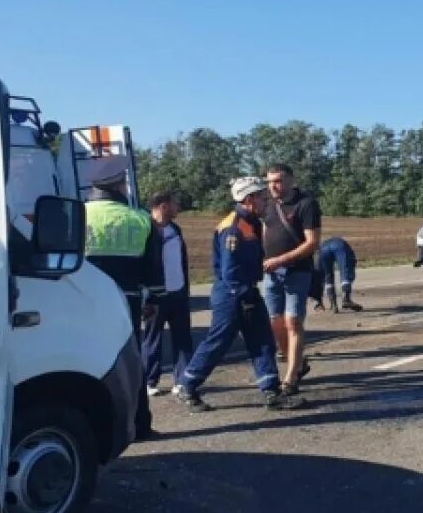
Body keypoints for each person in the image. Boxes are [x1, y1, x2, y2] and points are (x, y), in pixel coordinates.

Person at [177, 177, 303, 411]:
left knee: (262, 341)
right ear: (248, 199)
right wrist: (242, 295)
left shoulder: (251, 222)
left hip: (247, 291)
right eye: (261, 196)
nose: (266, 200)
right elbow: (230, 270)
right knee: (219, 342)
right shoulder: (233, 228)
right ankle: (187, 384)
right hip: (233, 294)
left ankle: (271, 391)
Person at [83, 155, 164, 440]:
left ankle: (92, 425)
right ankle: (140, 424)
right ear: (119, 183)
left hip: (83, 302)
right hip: (126, 302)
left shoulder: (77, 215)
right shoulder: (140, 218)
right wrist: (153, 300)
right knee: (129, 362)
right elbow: (153, 268)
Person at [262, 163, 321, 393]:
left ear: (291, 181)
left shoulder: (306, 204)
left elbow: (312, 242)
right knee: (275, 322)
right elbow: (264, 232)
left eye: (277, 180)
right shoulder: (267, 205)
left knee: (293, 322)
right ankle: (298, 364)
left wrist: (282, 259)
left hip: (297, 271)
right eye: (269, 182)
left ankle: (290, 379)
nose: (273, 186)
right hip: (270, 274)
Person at [141, 191, 194, 396]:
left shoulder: (175, 230)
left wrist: (185, 288)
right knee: (152, 339)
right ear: (163, 206)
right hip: (156, 296)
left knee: (182, 338)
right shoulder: (146, 230)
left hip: (178, 293)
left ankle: (182, 379)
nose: (177, 208)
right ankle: (149, 381)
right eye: (174, 204)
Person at [312, 236, 362, 313]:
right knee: (346, 270)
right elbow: (349, 264)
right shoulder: (344, 245)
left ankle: (333, 304)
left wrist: (319, 301)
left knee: (327, 276)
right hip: (339, 245)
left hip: (323, 248)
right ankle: (346, 298)